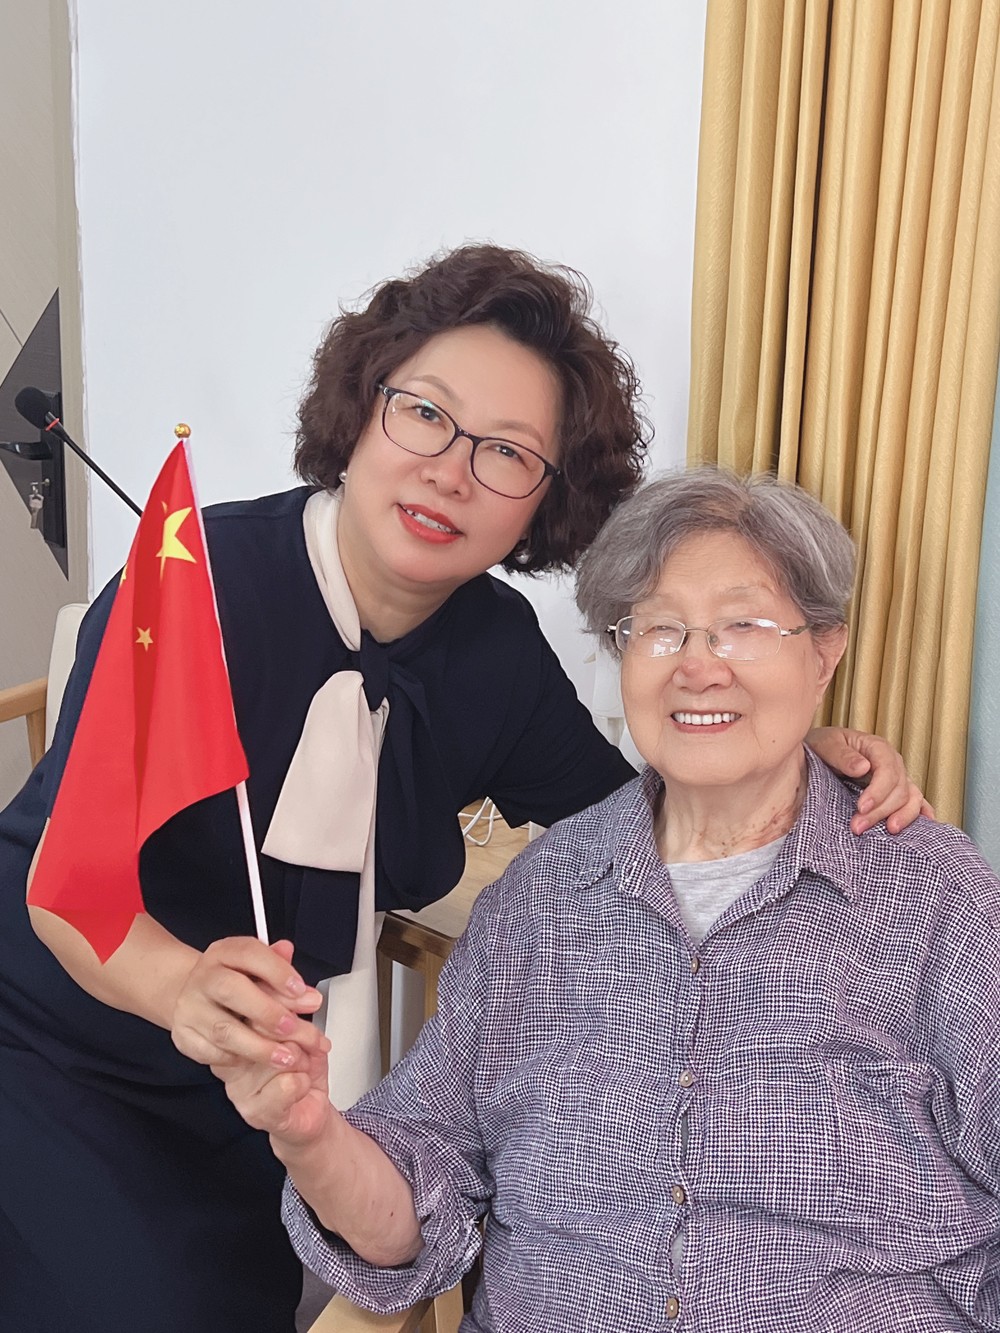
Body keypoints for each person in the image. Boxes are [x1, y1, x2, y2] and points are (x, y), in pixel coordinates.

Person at [0, 249, 923, 1333]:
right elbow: (68, 885)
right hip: (61, 1037)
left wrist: (785, 748)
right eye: (426, 414)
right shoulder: (195, 585)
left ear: (545, 502)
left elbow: (632, 814)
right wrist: (182, 991)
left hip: (259, 1087)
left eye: (508, 453)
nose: (451, 472)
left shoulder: (498, 654)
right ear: (362, 408)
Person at [219, 467, 998, 1332]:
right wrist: (309, 1132)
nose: (698, 665)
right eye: (659, 627)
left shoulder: (937, 899)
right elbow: (412, 1199)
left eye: (742, 625)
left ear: (824, 652)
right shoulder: (538, 903)